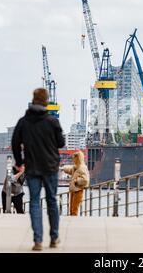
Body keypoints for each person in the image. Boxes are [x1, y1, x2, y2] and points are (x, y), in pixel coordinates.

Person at [11, 88, 65, 251]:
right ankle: (54, 238)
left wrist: (20, 162)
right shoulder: (52, 121)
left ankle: (38, 241)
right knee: (52, 200)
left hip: (32, 167)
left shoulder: (24, 121)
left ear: (33, 100)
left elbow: (15, 142)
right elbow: (61, 143)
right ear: (46, 101)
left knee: (34, 202)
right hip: (50, 166)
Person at [60, 151, 89, 216]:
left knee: (74, 208)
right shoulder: (76, 167)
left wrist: (76, 181)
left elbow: (85, 180)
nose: (73, 159)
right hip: (74, 190)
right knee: (72, 208)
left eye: (74, 158)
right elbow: (70, 169)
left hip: (78, 190)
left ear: (78, 158)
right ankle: (72, 219)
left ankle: (74, 221)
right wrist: (62, 168)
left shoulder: (82, 168)